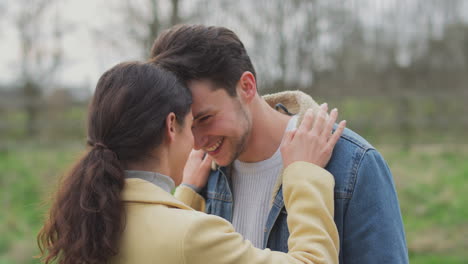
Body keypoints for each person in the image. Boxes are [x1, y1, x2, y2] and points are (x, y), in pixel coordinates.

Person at [37, 61, 346, 264]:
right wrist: (303, 174)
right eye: (192, 124)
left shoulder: (94, 217)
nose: (199, 142)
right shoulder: (191, 236)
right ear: (171, 126)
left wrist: (185, 193)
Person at [150, 24, 409, 263]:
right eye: (188, 126)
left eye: (205, 118)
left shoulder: (353, 163)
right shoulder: (202, 178)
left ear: (247, 86)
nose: (197, 143)